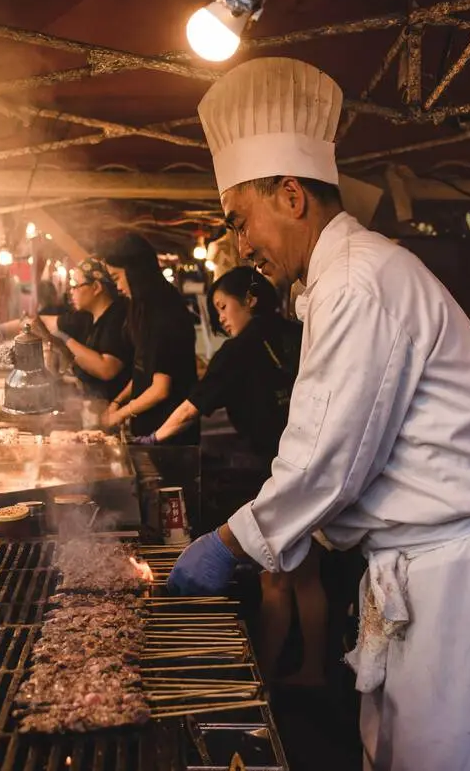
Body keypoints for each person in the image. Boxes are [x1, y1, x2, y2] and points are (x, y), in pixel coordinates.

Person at [166, 57, 470, 771]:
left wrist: (228, 544)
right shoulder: (340, 279)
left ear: (291, 195)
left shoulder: (358, 280)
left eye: (238, 219)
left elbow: (326, 457)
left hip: (463, 582)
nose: (239, 245)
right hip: (424, 569)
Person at [138, 267, 325, 684]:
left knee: (273, 579)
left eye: (223, 306)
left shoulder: (239, 350)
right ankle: (314, 668)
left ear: (251, 298)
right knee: (308, 575)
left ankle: (269, 680)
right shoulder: (300, 331)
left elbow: (192, 407)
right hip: (316, 467)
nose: (221, 317)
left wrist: (153, 438)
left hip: (276, 471)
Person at [98, 235, 199, 444]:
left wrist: (120, 414)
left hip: (168, 435)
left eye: (116, 277)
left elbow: (160, 389)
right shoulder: (143, 308)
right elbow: (143, 369)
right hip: (148, 429)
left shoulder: (164, 311)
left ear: (134, 270)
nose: (116, 286)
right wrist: (118, 401)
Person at [31, 257, 132, 403]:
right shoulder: (89, 318)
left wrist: (65, 339)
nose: (71, 292)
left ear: (96, 287)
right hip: (93, 405)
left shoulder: (116, 317)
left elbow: (107, 369)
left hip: (113, 408)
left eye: (76, 285)